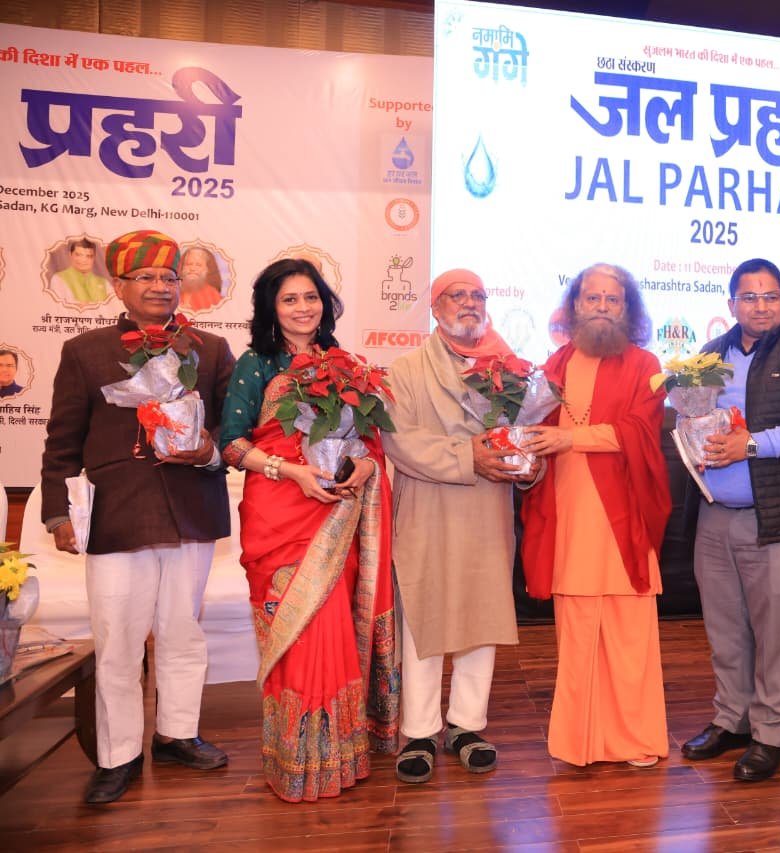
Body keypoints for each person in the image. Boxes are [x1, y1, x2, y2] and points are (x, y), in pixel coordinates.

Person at [40, 229, 235, 804]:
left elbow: (232, 427)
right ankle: (118, 755)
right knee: (118, 641)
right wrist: (56, 515)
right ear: (119, 286)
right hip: (116, 514)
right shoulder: (86, 350)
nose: (159, 286)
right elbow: (62, 442)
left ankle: (177, 734)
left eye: (169, 276)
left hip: (191, 510)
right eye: (145, 277)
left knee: (182, 631)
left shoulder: (211, 349)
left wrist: (210, 449)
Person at [220, 258, 398, 802]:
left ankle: (339, 754)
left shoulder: (346, 365)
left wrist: (364, 466)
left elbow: (368, 442)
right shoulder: (256, 364)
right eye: (290, 299)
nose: (303, 308)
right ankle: (295, 759)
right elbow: (232, 445)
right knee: (295, 628)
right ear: (271, 308)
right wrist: (291, 471)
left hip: (336, 512)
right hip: (280, 513)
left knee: (333, 623)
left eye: (311, 297)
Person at [679, 258, 780, 783]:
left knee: (776, 636)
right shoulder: (712, 354)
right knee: (725, 629)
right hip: (714, 514)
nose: (761, 306)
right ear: (731, 304)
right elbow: (689, 417)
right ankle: (733, 719)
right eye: (749, 297)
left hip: (779, 518)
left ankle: (771, 733)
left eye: (771, 296)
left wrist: (751, 445)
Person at [382, 269, 532, 784]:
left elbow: (524, 434)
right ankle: (419, 731)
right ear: (435, 307)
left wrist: (527, 462)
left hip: (487, 508)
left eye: (477, 295)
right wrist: (470, 456)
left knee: (481, 611)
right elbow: (399, 441)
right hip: (427, 503)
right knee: (423, 613)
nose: (469, 303)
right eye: (457, 295)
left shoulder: (509, 368)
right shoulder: (405, 369)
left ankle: (467, 725)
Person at [519, 263, 671, 767]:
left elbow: (641, 430)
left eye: (612, 299)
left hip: (623, 517)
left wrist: (570, 437)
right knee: (577, 636)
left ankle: (635, 739)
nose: (602, 307)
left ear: (627, 309)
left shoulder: (645, 364)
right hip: (568, 516)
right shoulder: (553, 366)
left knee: (630, 637)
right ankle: (578, 743)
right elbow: (534, 434)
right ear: (575, 306)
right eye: (593, 298)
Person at [54, 237, 110, 304]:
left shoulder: (104, 282)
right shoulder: (58, 278)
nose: (83, 260)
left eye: (88, 256)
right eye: (78, 255)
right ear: (70, 255)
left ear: (94, 258)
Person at [178, 246, 225, 312]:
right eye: (189, 264)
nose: (192, 269)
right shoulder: (174, 291)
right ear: (182, 267)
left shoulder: (213, 295)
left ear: (207, 269)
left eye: (198, 265)